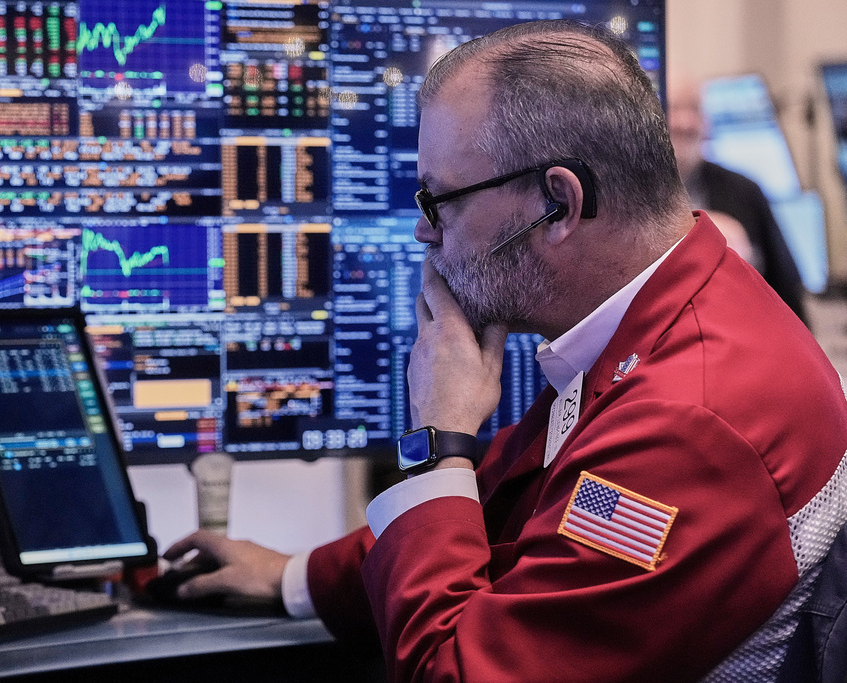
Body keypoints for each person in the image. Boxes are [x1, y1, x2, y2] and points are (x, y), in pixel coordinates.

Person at [164, 20, 847, 682]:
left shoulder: (689, 421)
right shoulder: (668, 308)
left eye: (439, 200)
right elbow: (514, 509)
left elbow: (452, 672)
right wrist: (295, 577)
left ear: (558, 203)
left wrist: (438, 440)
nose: (423, 233)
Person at [667, 70, 811, 326]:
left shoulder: (744, 191)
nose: (687, 123)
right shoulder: (627, 197)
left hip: (742, 336)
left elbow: (787, 295)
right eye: (674, 108)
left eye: (696, 109)